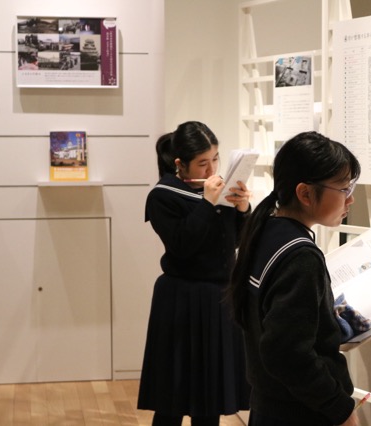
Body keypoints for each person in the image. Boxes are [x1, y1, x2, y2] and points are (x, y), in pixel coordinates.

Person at [228, 131, 361, 426]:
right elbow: (286, 352)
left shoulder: (266, 230)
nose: (350, 199)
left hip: (270, 403)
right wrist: (340, 408)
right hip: (298, 411)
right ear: (305, 193)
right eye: (344, 189)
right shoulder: (301, 256)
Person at [138, 121, 251, 426]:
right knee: (171, 398)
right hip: (180, 299)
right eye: (203, 163)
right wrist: (208, 203)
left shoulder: (216, 189)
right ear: (180, 163)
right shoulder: (162, 196)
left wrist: (243, 208)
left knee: (210, 399)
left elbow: (235, 241)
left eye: (215, 159)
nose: (211, 169)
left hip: (219, 298)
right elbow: (182, 245)